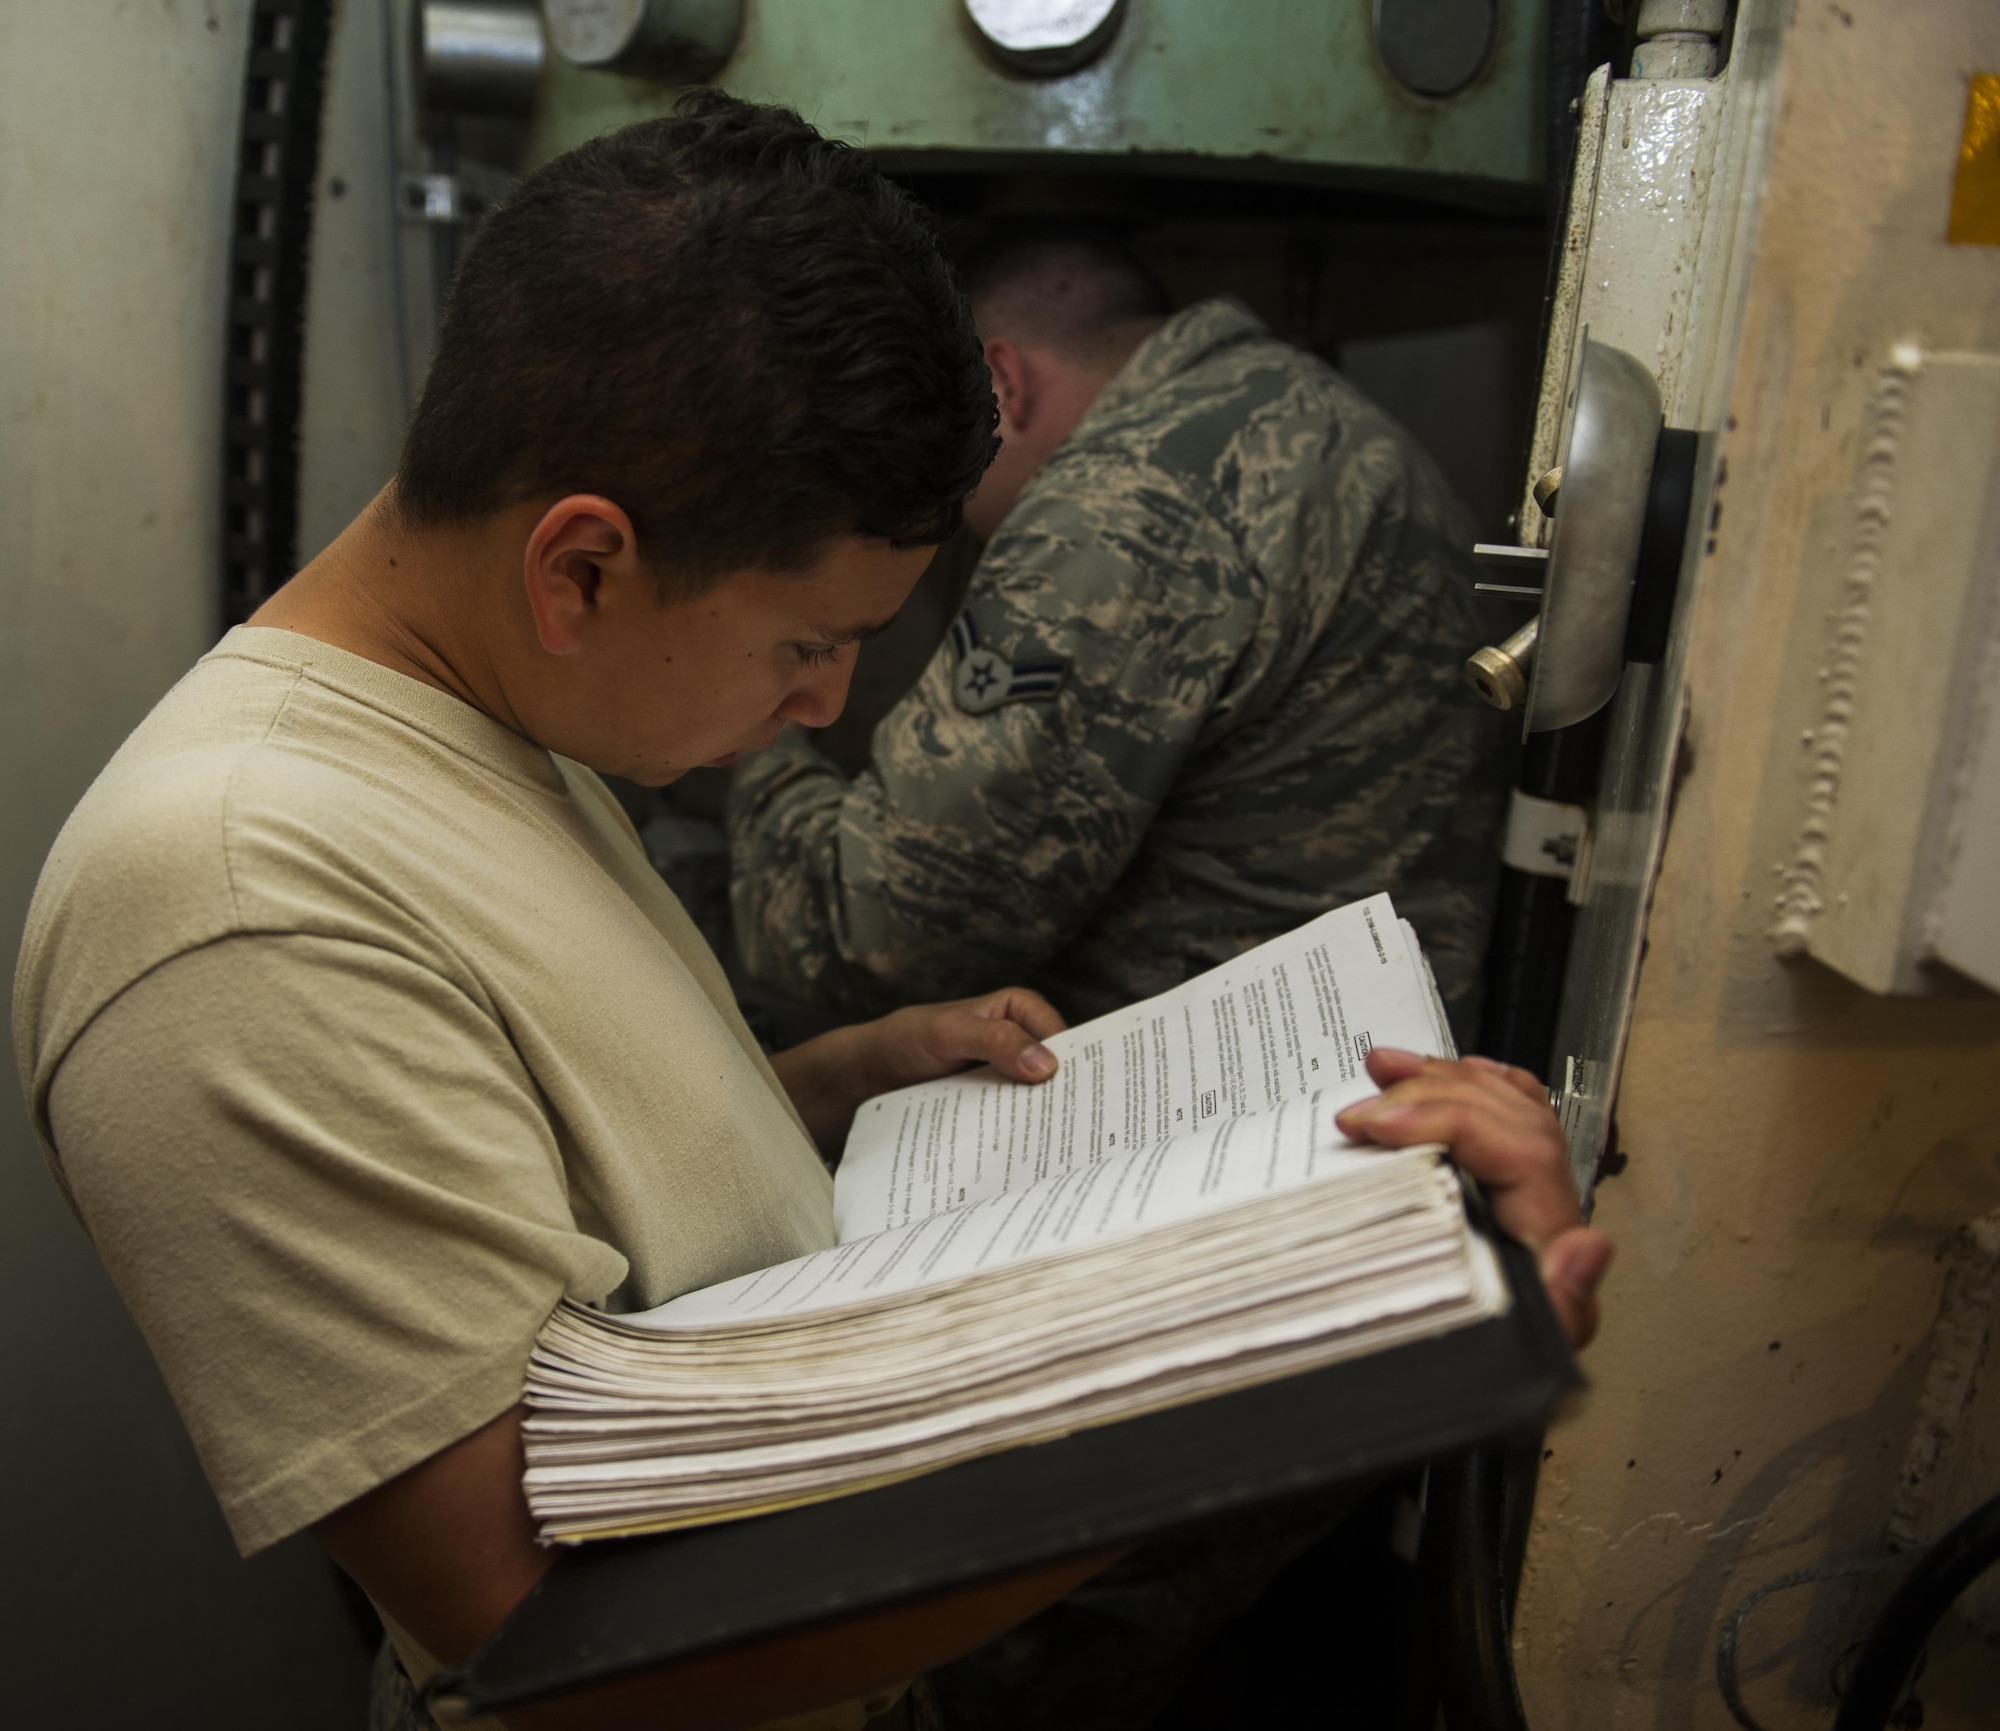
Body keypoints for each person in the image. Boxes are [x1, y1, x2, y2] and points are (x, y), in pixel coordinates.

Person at [14, 97, 1607, 1731]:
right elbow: (550, 1647)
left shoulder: (496, 720)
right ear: (580, 569)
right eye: (805, 644)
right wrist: (1284, 1396)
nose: (828, 701)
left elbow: (546, 1206)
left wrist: (826, 1088)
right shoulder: (227, 906)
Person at [730, 221, 1512, 1040]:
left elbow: (891, 932)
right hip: (1365, 1051)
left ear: (999, 383)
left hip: (1229, 1110)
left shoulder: (1120, 503)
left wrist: (759, 750)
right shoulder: (1303, 415)